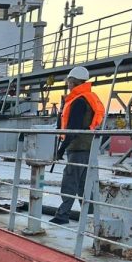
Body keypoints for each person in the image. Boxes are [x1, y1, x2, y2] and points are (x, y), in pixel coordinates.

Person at [50, 66, 105, 225]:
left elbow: (73, 129)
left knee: (70, 181)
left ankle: (62, 216)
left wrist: (60, 150)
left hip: (78, 146)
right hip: (87, 146)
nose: (67, 84)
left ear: (73, 81)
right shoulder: (87, 97)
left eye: (68, 81)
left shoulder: (79, 101)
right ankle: (91, 216)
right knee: (83, 183)